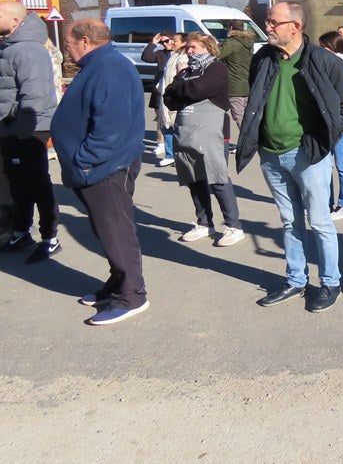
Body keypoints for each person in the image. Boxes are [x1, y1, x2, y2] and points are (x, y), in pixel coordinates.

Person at [235, 1, 343, 313]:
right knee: (290, 221)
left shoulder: (324, 61)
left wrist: (324, 141)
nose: (268, 26)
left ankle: (331, 282)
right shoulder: (263, 58)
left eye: (273, 21)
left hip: (308, 155)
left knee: (319, 222)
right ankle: (295, 280)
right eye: (268, 21)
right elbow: (256, 97)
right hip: (271, 155)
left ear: (295, 26)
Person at [51, 19, 148, 325]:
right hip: (96, 167)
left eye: (68, 42)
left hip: (104, 168)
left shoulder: (109, 69)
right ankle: (118, 283)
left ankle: (132, 296)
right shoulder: (100, 65)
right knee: (106, 231)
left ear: (84, 41)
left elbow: (111, 129)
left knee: (116, 232)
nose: (66, 48)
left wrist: (84, 160)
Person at [163, 32, 245, 247]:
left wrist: (180, 86)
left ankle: (233, 226)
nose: (189, 52)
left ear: (208, 47)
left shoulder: (217, 68)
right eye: (188, 48)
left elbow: (199, 88)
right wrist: (180, 86)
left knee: (217, 179)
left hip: (212, 133)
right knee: (194, 180)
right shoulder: (188, 71)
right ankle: (204, 223)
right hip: (187, 133)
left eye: (194, 48)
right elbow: (168, 98)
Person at [0, 1, 61, 262]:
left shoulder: (28, 50)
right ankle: (22, 232)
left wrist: (19, 131)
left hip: (29, 128)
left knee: (37, 185)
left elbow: (34, 95)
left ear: (15, 21)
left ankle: (50, 238)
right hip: (12, 128)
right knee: (19, 185)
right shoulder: (10, 47)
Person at [319, 32, 343, 220]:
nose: (320, 51)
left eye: (323, 47)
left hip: (341, 124)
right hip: (329, 122)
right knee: (326, 165)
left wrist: (342, 123)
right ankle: (326, 204)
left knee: (342, 164)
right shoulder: (332, 64)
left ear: (332, 48)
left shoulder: (340, 65)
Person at [154, 33, 188, 167]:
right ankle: (171, 154)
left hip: (175, 98)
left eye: (175, 41)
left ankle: (174, 155)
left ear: (183, 43)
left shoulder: (183, 57)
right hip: (166, 96)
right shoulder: (173, 56)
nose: (171, 42)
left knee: (174, 126)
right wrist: (159, 87)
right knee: (166, 125)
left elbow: (182, 78)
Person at [217, 19, 254, 131]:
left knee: (238, 115)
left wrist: (218, 45)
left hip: (234, 85)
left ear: (231, 28)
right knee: (248, 115)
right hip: (247, 83)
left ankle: (247, 141)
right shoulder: (248, 42)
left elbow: (218, 54)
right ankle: (252, 137)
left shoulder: (231, 42)